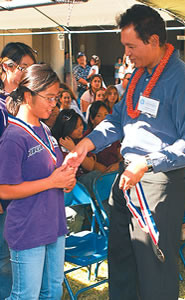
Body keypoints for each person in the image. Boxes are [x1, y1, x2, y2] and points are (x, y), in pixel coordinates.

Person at [63, 4, 185, 300]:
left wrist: (148, 164)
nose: (127, 54)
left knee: (154, 268)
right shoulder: (138, 76)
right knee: (122, 260)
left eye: (131, 46)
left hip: (158, 183)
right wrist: (86, 144)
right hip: (125, 179)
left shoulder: (182, 80)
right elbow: (117, 120)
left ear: (154, 41)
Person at [0, 64, 76, 300]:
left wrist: (66, 180)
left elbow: (53, 174)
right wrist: (51, 182)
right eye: (49, 98)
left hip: (54, 224)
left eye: (56, 98)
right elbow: (4, 188)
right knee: (25, 295)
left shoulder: (45, 130)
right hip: (28, 228)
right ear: (27, 95)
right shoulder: (13, 137)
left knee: (53, 291)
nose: (54, 104)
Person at [0, 42, 37, 300]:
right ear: (6, 66)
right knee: (4, 259)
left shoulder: (26, 101)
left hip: (24, 192)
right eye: (22, 67)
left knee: (17, 255)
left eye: (30, 67)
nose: (27, 73)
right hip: (4, 196)